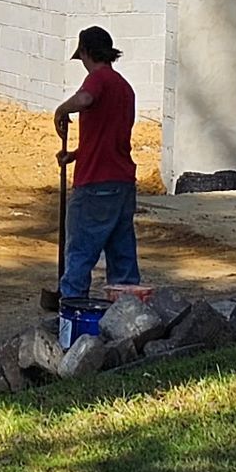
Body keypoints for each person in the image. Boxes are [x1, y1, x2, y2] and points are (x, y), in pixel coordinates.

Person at [52, 25, 139, 301]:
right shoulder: (125, 88)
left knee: (80, 253)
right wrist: (77, 154)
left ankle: (70, 315)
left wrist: (61, 109)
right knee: (122, 254)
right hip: (123, 183)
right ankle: (128, 316)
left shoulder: (98, 80)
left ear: (87, 53)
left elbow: (85, 98)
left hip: (95, 184)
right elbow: (110, 136)